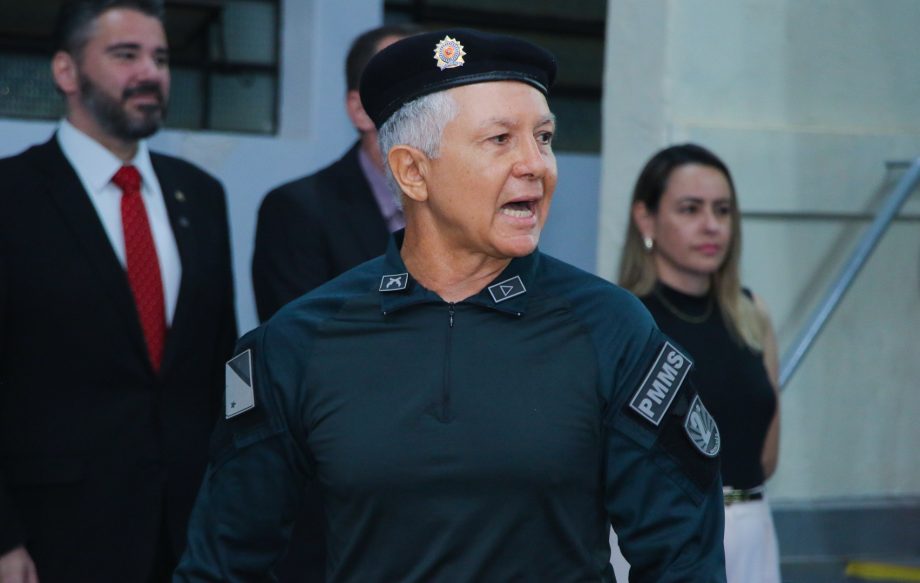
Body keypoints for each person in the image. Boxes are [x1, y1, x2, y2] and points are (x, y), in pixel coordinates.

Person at [176, 29, 726, 582]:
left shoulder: (610, 329)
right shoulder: (300, 342)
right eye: (500, 140)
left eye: (544, 137)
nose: (535, 164)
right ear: (413, 172)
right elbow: (222, 564)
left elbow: (683, 557)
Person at [0, 1, 237, 581]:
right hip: (54, 536)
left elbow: (224, 364)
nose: (150, 73)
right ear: (66, 71)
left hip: (191, 533)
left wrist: (238, 500)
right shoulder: (12, 196)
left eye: (161, 58)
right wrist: (3, 539)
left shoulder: (201, 195)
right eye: (125, 55)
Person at [619, 143, 782, 583]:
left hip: (753, 527)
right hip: (667, 535)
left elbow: (767, 455)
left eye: (722, 210)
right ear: (646, 219)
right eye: (690, 209)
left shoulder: (752, 313)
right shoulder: (624, 320)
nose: (712, 225)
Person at [251, 24, 418, 323]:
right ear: (360, 110)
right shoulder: (297, 211)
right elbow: (298, 339)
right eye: (411, 89)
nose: (430, 109)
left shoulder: (466, 209)